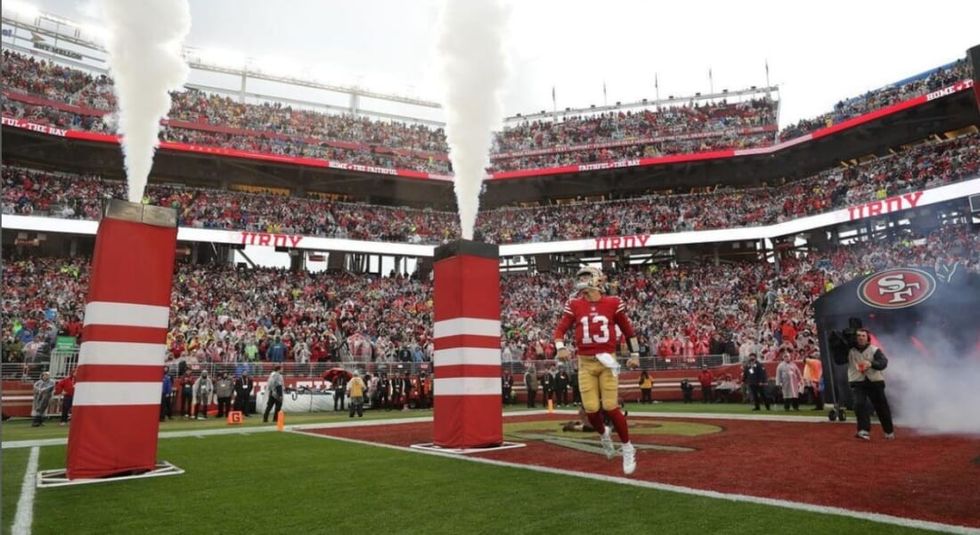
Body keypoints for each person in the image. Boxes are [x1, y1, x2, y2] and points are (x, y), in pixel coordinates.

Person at [554, 266, 641, 475]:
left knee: (610, 406)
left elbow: (628, 331)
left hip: (607, 361)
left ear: (597, 279)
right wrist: (560, 347)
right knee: (591, 409)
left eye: (586, 276)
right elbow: (560, 329)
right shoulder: (574, 303)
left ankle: (628, 447)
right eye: (581, 277)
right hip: (585, 362)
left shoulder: (613, 302)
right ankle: (604, 434)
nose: (582, 280)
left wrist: (635, 354)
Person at [846, 329, 895, 441]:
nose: (860, 338)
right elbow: (838, 359)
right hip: (858, 381)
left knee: (881, 407)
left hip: (875, 381)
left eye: (863, 335)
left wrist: (871, 363)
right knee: (859, 404)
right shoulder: (849, 351)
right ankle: (863, 430)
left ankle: (889, 431)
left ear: (868, 338)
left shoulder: (874, 350)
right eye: (858, 335)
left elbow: (883, 363)